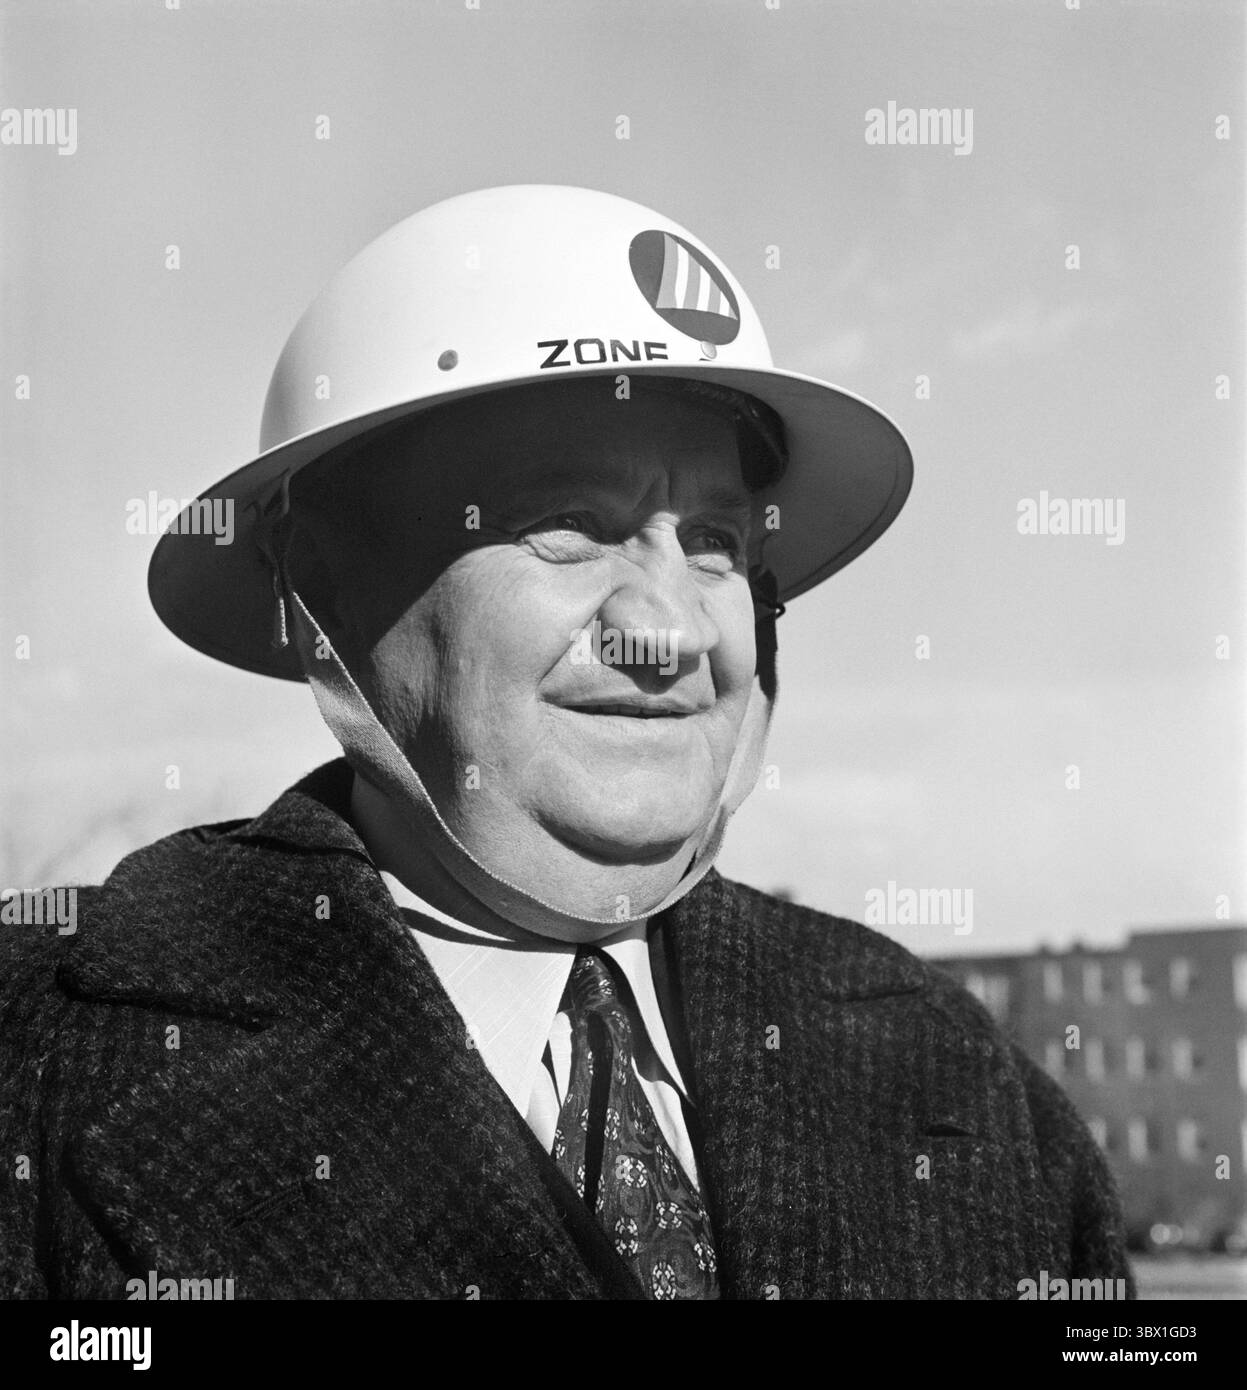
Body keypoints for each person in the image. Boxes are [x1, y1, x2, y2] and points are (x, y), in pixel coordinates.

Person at [1, 186, 1132, 1300]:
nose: (666, 630)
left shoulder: (949, 1070)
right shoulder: (41, 1059)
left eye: (712, 542)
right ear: (321, 588)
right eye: (568, 526)